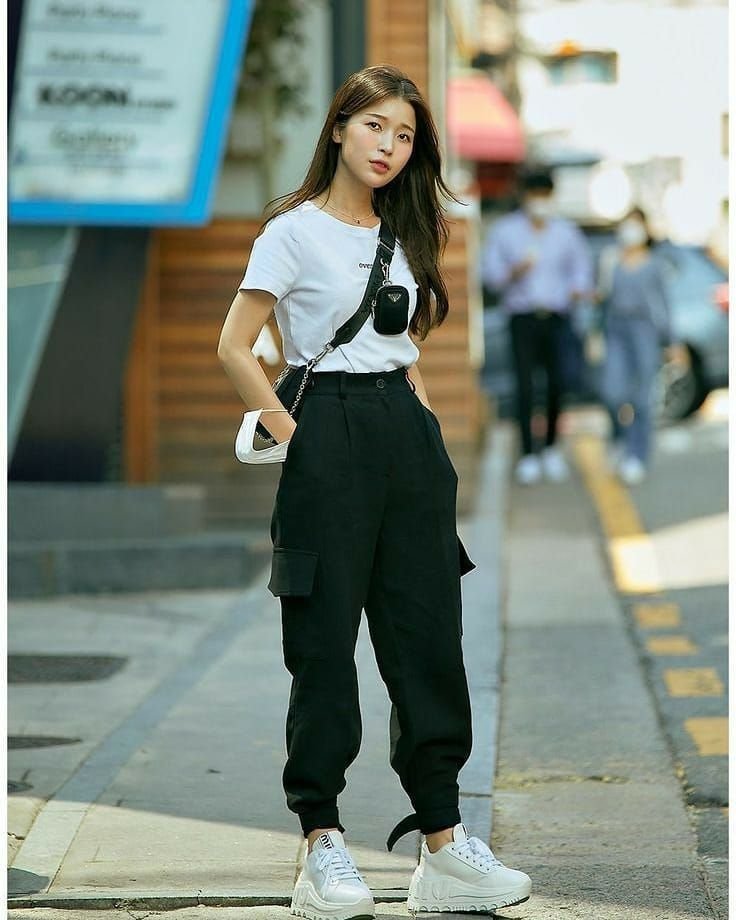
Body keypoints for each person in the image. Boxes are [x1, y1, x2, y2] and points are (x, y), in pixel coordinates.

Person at [217, 65, 531, 920]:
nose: (390, 147)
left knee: (428, 643)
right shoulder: (292, 233)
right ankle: (321, 846)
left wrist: (430, 440)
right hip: (330, 436)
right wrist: (298, 437)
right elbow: (236, 346)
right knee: (323, 651)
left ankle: (443, 845)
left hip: (406, 438)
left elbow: (406, 350)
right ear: (338, 130)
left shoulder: (405, 228)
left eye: (404, 135)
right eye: (375, 128)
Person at [481, 168, 594, 486]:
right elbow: (490, 276)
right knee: (525, 386)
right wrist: (513, 271)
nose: (540, 202)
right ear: (524, 196)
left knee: (558, 384)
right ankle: (529, 454)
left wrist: (578, 289)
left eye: (545, 195)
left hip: (558, 317)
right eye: (534, 195)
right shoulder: (506, 231)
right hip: (522, 317)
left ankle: (552, 449)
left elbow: (582, 270)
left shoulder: (566, 232)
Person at [595, 207, 680, 485]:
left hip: (645, 331)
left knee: (642, 398)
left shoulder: (655, 264)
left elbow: (664, 305)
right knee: (612, 392)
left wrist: (672, 341)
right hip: (616, 331)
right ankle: (619, 439)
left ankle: (637, 454)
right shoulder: (611, 260)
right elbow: (600, 299)